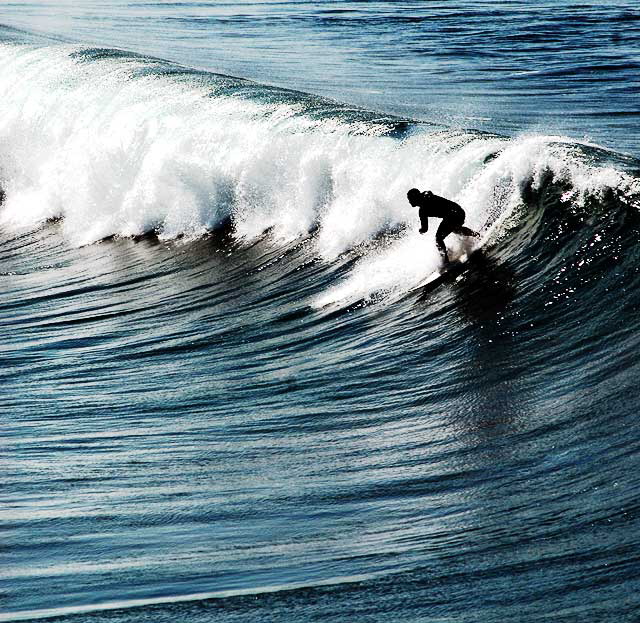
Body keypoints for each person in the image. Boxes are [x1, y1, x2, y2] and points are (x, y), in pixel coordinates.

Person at [407, 188, 479, 264]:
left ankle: (445, 261)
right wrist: (421, 230)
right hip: (452, 215)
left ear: (415, 197)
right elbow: (425, 228)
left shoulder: (426, 195)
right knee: (455, 230)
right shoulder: (422, 212)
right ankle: (476, 235)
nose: (409, 202)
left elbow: (428, 193)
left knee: (438, 238)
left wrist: (427, 195)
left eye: (410, 199)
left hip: (456, 212)